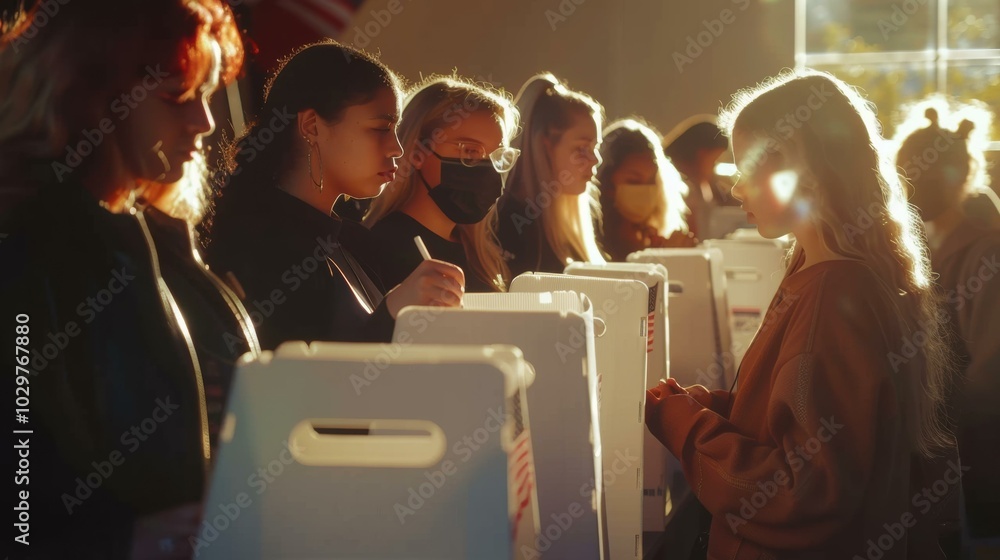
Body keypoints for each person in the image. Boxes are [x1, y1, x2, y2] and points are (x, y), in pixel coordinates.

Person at [645, 70, 958, 559]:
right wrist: (719, 411)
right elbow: (814, 427)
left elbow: (806, 492)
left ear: (800, 169)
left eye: (748, 167)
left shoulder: (833, 296)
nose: (737, 189)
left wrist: (691, 432)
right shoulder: (828, 274)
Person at [0, 1, 259, 557]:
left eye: (206, 95)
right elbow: (19, 487)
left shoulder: (156, 241)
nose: (205, 123)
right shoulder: (25, 254)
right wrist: (113, 543)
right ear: (86, 91)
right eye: (175, 96)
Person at [203, 41, 465, 350]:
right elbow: (302, 384)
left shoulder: (348, 241)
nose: (397, 148)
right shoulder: (260, 246)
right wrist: (394, 312)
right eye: (381, 128)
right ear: (312, 126)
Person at [895, 98, 1000, 542]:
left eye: (927, 176)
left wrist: (935, 431)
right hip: (927, 449)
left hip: (969, 453)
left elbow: (989, 372)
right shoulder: (912, 251)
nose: (916, 186)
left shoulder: (986, 253)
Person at [359, 75, 520, 292]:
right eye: (470, 151)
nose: (487, 170)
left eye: (496, 156)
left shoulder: (480, 256)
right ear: (417, 152)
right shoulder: (378, 249)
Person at [494, 73, 605, 275]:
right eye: (582, 148)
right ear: (544, 146)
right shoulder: (507, 228)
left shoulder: (560, 229)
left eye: (595, 147)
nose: (596, 160)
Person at [595, 118, 696, 261]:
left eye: (652, 181)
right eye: (634, 181)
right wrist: (662, 261)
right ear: (606, 182)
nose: (646, 190)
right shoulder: (591, 241)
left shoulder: (651, 237)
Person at [663, 115, 738, 238]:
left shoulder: (703, 182)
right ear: (701, 154)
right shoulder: (678, 185)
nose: (714, 167)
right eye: (714, 161)